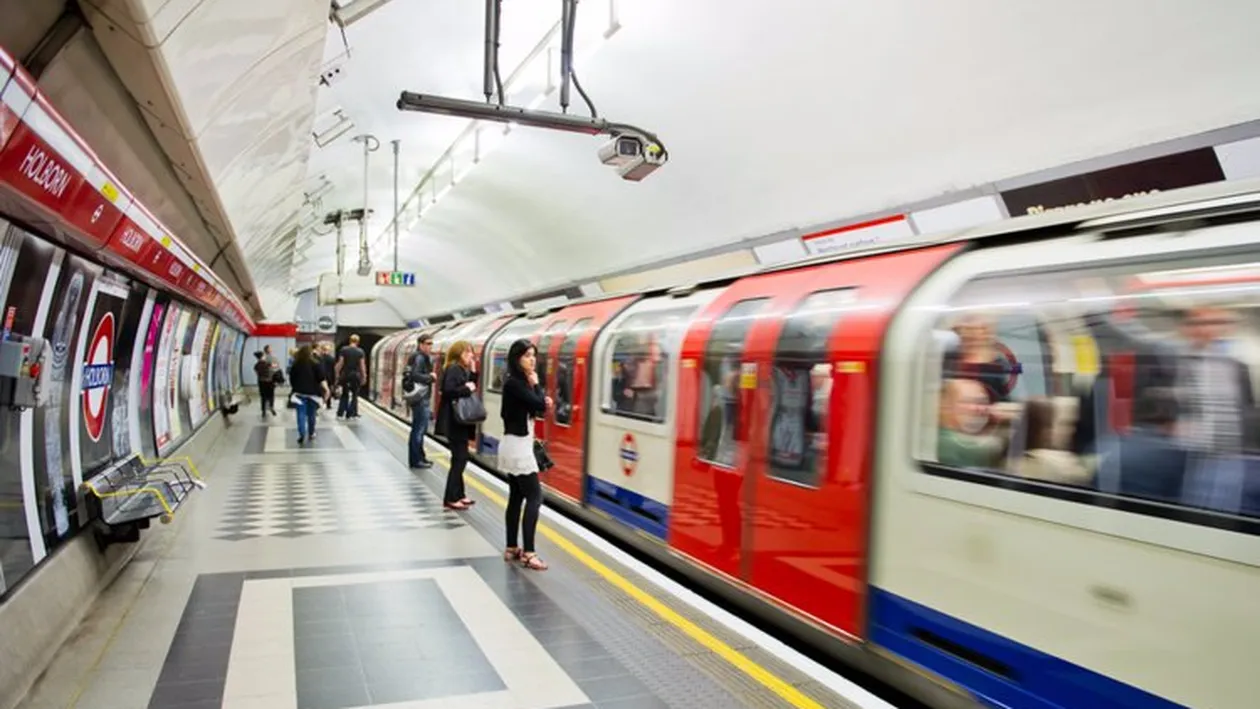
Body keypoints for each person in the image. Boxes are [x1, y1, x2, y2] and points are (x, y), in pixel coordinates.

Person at [500, 339, 552, 570]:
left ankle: (512, 547)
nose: (532, 359)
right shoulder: (516, 384)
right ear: (517, 358)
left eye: (533, 355)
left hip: (514, 444)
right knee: (535, 497)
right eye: (527, 355)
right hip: (519, 447)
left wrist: (538, 397)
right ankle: (529, 553)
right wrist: (537, 386)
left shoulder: (515, 383)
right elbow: (540, 407)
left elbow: (534, 407)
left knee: (516, 497)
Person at [436, 340, 478, 510]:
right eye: (467, 353)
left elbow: (468, 385)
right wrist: (467, 388)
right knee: (460, 459)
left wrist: (473, 374)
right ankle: (450, 498)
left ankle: (459, 494)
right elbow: (448, 390)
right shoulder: (454, 368)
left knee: (460, 457)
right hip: (454, 421)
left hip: (458, 420)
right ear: (458, 354)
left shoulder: (460, 369)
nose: (471, 356)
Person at [404, 334, 436, 469]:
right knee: (419, 429)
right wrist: (430, 377)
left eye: (431, 344)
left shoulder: (416, 356)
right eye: (428, 343)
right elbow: (415, 375)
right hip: (420, 398)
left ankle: (420, 457)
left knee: (419, 429)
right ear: (421, 344)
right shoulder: (419, 357)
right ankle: (416, 460)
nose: (430, 346)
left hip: (418, 397)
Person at [289, 345, 329, 444]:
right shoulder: (316, 363)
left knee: (301, 414)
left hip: (299, 393)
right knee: (311, 415)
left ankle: (302, 433)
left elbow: (292, 379)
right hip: (313, 394)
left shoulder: (296, 364)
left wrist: (295, 387)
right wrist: (326, 389)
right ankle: (311, 433)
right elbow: (321, 378)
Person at [336, 334, 367, 419]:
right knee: (354, 395)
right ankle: (351, 413)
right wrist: (364, 376)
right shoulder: (360, 351)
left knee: (344, 394)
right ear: (358, 342)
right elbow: (362, 366)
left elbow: (340, 363)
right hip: (355, 375)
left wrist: (336, 374)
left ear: (350, 340)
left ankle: (340, 413)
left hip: (345, 374)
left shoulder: (344, 350)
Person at [253, 351, 276, 416]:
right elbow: (274, 366)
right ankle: (271, 407)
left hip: (261, 382)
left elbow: (257, 374)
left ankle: (263, 411)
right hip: (269, 382)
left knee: (263, 397)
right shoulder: (267, 363)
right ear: (262, 356)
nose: (265, 356)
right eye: (264, 355)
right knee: (271, 396)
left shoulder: (256, 365)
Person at [319, 343, 337, 410]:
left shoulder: (319, 358)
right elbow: (333, 370)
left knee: (321, 390)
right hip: (329, 377)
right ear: (328, 350)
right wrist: (334, 380)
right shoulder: (332, 359)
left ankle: (321, 402)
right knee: (328, 390)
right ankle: (328, 404)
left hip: (321, 376)